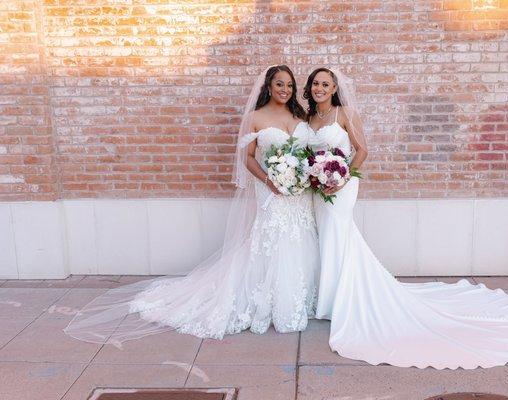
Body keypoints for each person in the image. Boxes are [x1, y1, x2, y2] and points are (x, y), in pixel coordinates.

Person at [304, 67, 508, 369]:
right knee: (324, 237)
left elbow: (362, 150)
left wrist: (341, 177)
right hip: (317, 189)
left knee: (339, 234)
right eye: (316, 83)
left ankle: (341, 300)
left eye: (325, 84)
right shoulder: (309, 118)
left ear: (333, 89)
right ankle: (327, 296)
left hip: (341, 187)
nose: (319, 88)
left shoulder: (343, 113)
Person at [63, 65, 320, 343]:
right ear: (268, 87)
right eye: (279, 84)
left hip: (299, 193)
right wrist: (269, 181)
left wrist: (306, 174)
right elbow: (247, 159)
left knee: (301, 238)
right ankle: (270, 304)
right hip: (271, 190)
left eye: (290, 86)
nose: (285, 90)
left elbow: (309, 152)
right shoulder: (255, 117)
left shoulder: (301, 116)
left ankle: (301, 298)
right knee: (273, 239)